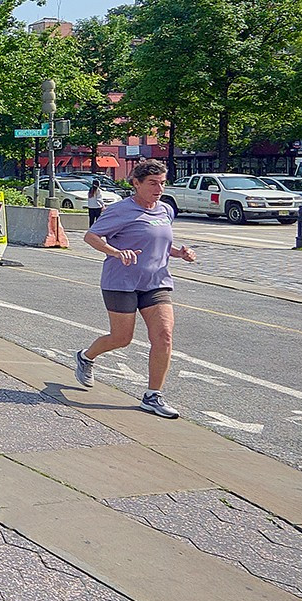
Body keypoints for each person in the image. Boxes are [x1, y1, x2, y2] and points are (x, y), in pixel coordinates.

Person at [75, 158, 196, 418]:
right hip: (121, 282)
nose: (159, 189)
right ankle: (86, 357)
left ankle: (153, 396)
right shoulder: (120, 210)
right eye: (152, 183)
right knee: (122, 338)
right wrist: (116, 252)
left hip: (156, 282)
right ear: (136, 183)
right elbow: (91, 236)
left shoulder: (166, 210)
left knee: (164, 335)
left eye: (162, 183)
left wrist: (180, 253)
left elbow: (159, 243)